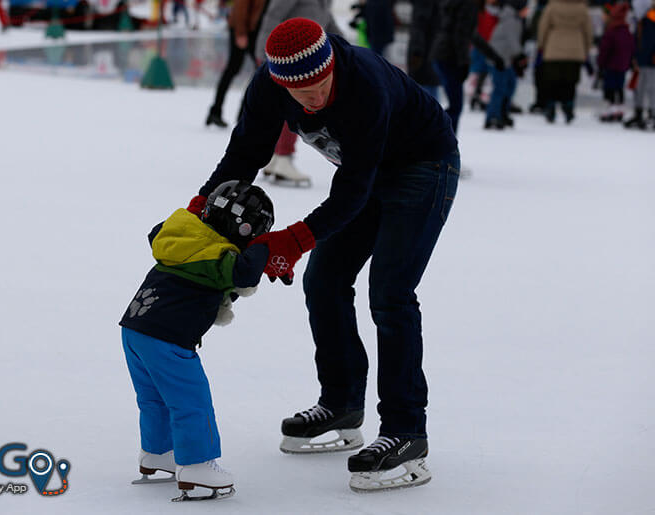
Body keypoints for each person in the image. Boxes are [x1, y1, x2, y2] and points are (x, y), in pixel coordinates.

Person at [185, 18, 459, 492]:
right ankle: (342, 402)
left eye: (319, 85)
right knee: (324, 281)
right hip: (366, 175)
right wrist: (199, 211)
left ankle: (406, 431)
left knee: (391, 293)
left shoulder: (365, 84)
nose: (311, 97)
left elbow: (352, 191)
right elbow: (245, 152)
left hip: (423, 166)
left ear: (331, 64)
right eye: (299, 90)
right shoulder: (272, 84)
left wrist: (291, 240)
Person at [119, 181, 273, 500]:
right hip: (167, 337)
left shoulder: (188, 239)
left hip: (134, 328)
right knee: (191, 400)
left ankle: (158, 451)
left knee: (153, 397)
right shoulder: (216, 255)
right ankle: (198, 465)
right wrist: (267, 247)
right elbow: (244, 274)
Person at [255, 0, 342, 187]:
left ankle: (277, 158)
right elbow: (273, 16)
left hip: (308, 62)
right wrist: (264, 53)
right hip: (284, 61)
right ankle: (283, 157)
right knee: (295, 110)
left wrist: (348, 49)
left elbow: (327, 23)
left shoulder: (324, 2)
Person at [431, 0, 504, 133]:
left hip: (442, 55)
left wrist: (494, 56)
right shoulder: (468, 4)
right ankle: (444, 144)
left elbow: (471, 35)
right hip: (449, 57)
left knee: (455, 105)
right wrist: (463, 62)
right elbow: (460, 34)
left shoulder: (460, 4)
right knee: (456, 106)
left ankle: (443, 142)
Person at [206, 0, 266, 128]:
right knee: (234, 69)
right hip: (244, 30)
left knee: (258, 70)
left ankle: (241, 112)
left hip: (254, 30)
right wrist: (240, 33)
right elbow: (240, 6)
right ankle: (217, 111)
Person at [536, 0, 592, 123]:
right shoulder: (582, 7)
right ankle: (568, 107)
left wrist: (541, 45)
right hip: (575, 48)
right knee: (570, 82)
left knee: (552, 81)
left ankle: (551, 107)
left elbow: (543, 26)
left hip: (553, 47)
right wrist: (587, 47)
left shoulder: (552, 6)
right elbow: (588, 29)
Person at [484, 0, 527, 129]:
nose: (527, 11)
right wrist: (520, 56)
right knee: (500, 88)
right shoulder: (511, 19)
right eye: (525, 8)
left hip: (506, 59)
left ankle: (502, 113)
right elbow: (512, 39)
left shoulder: (514, 18)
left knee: (510, 85)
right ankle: (492, 117)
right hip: (499, 59)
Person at [624, 0, 655, 131]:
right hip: (643, 60)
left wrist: (638, 59)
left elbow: (648, 42)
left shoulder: (651, 18)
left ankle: (652, 116)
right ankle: (638, 113)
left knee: (651, 88)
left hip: (652, 60)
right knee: (639, 87)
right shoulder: (642, 19)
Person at [596, 2, 634, 123]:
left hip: (611, 64)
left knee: (610, 88)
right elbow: (631, 48)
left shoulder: (611, 31)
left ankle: (611, 110)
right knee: (619, 87)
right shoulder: (626, 30)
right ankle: (619, 109)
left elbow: (605, 49)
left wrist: (600, 62)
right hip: (622, 65)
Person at [407, 0, 443, 100]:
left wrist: (416, 52)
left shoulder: (423, 3)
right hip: (432, 50)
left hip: (424, 53)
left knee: (423, 94)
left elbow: (419, 26)